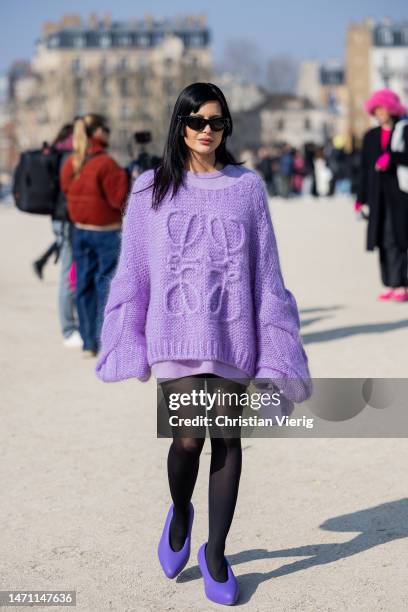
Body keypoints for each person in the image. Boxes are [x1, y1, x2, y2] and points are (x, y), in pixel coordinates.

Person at [94, 82, 312, 605]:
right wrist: (127, 332)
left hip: (232, 333)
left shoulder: (248, 188)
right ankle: (181, 509)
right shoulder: (151, 188)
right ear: (181, 125)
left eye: (216, 122)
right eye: (196, 122)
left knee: (227, 441)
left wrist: (277, 344)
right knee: (189, 439)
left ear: (226, 126)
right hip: (174, 335)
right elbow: (134, 271)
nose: (207, 131)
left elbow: (266, 272)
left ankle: (216, 551)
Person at [60, 113, 129, 356]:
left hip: (80, 230)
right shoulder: (106, 163)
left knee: (83, 284)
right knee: (105, 284)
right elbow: (118, 199)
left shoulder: (72, 162)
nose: (108, 133)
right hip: (106, 233)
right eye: (106, 129)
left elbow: (67, 191)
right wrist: (127, 179)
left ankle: (89, 342)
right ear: (98, 132)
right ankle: (104, 340)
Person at [355, 88, 408, 301]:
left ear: (391, 109)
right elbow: (365, 170)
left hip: (400, 195)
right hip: (378, 196)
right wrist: (360, 199)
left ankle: (401, 284)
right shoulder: (371, 136)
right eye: (376, 109)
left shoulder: (404, 130)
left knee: (399, 238)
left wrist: (392, 157)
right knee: (382, 239)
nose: (379, 113)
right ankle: (388, 282)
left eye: (382, 108)